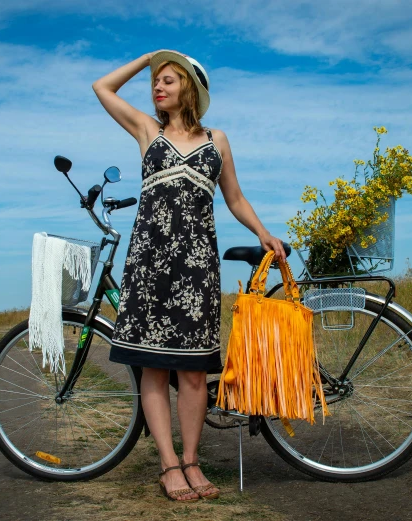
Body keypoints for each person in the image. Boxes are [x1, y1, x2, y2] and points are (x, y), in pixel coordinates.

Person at [92, 50, 286, 502]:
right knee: (155, 370)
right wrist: (146, 60)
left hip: (197, 269)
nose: (157, 87)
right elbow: (102, 88)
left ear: (190, 90)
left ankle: (193, 460)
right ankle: (168, 464)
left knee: (195, 373)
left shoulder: (217, 140)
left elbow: (234, 199)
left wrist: (264, 233)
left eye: (167, 81)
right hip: (149, 266)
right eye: (154, 82)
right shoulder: (147, 131)